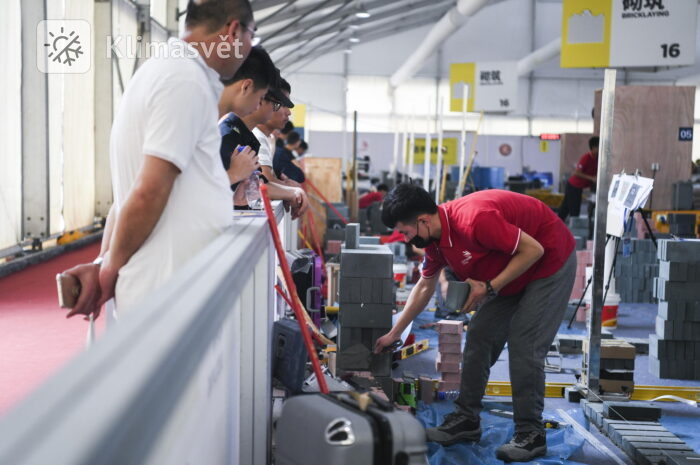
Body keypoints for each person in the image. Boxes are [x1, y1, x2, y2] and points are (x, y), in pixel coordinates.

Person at [63, 0, 256, 318]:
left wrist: (105, 261)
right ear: (233, 30)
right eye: (251, 35)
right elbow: (149, 190)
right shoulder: (183, 81)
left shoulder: (167, 71)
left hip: (169, 283)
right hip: (169, 290)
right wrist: (109, 266)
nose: (249, 47)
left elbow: (132, 196)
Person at [374, 184, 576, 462]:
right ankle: (467, 419)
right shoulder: (435, 242)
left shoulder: (474, 220)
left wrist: (490, 288)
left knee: (524, 343)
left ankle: (531, 434)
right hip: (510, 271)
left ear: (423, 220)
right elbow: (424, 286)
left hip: (548, 262)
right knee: (480, 335)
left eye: (407, 233)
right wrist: (394, 333)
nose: (409, 240)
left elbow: (534, 250)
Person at [558, 136, 599, 222]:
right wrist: (591, 178)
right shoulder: (586, 158)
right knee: (574, 210)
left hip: (579, 188)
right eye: (599, 146)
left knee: (565, 208)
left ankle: (556, 225)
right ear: (594, 147)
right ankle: (573, 232)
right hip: (573, 186)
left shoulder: (597, 159)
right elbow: (576, 173)